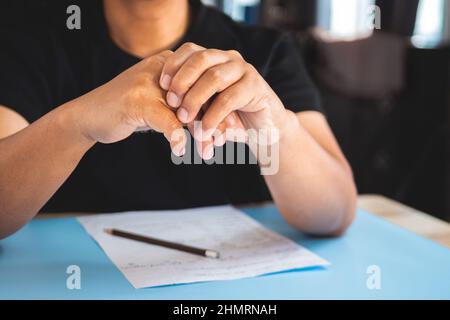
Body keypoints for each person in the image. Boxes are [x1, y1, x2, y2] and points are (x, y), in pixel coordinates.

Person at [0, 0, 356, 239]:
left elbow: (335, 213)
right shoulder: (31, 40)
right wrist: (79, 122)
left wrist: (275, 128)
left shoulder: (265, 51)